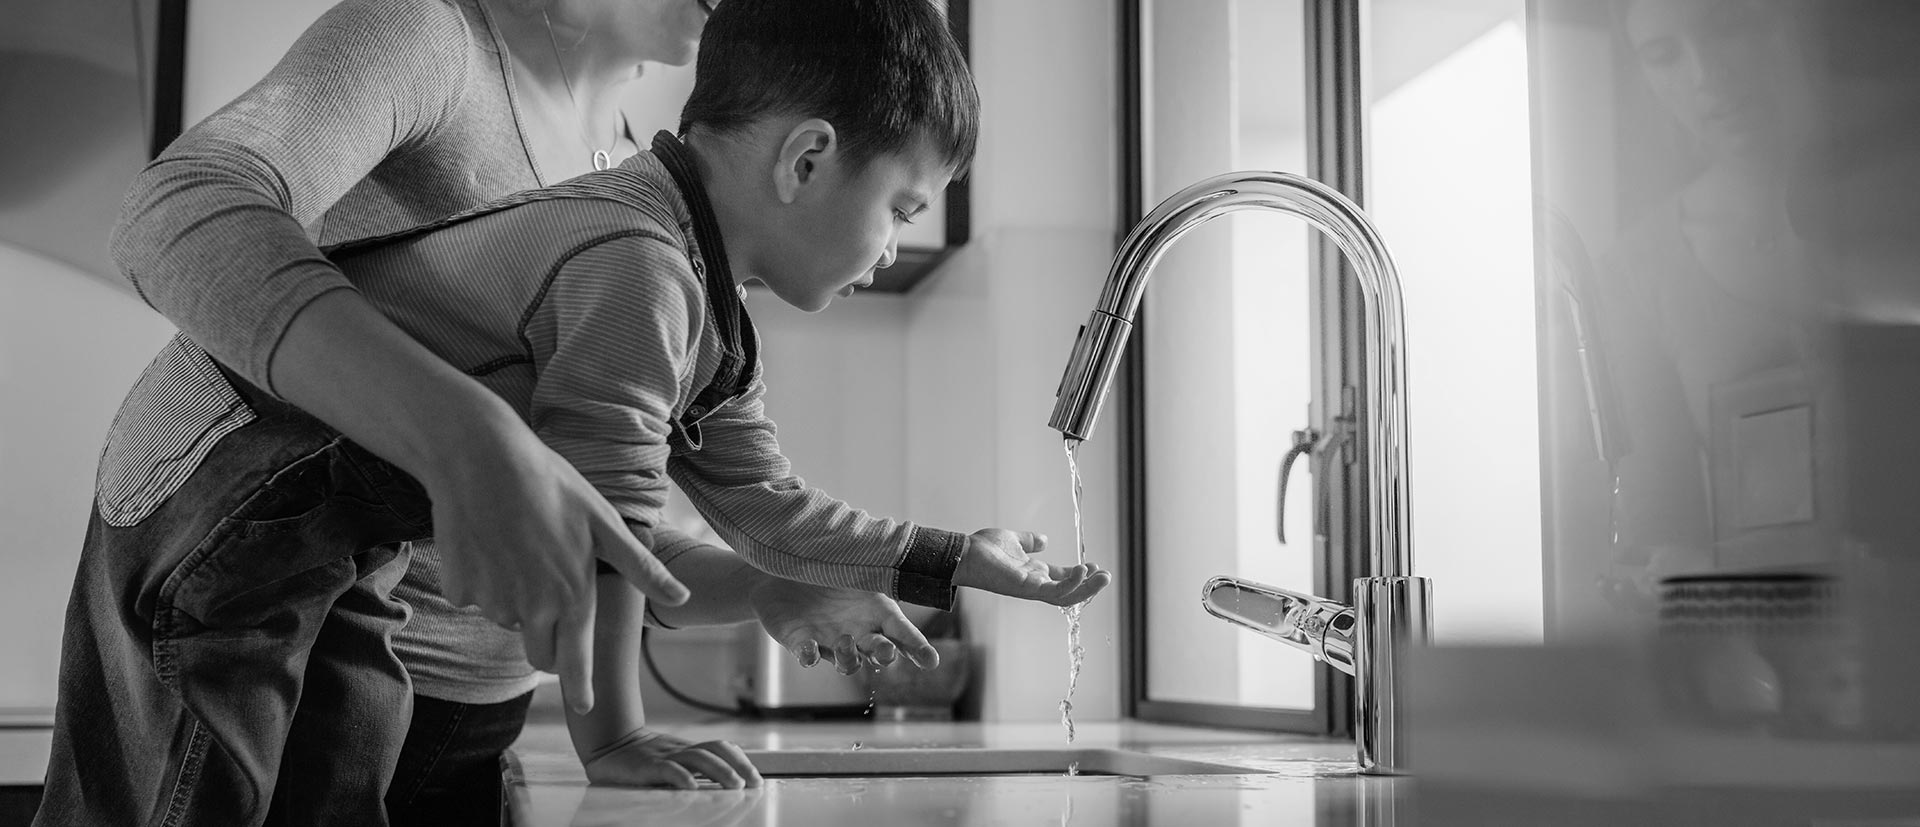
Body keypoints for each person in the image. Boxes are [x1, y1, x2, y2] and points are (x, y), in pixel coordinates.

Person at [40, 0, 1112, 824]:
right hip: (236, 493)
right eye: (902, 212)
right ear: (808, 158)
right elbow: (609, 521)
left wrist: (946, 557)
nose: (891, 244)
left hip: (378, 603)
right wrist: (615, 737)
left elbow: (746, 505)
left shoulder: (671, 235)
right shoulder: (632, 248)